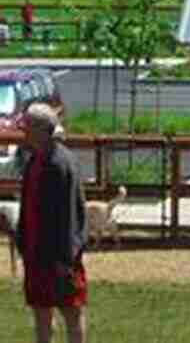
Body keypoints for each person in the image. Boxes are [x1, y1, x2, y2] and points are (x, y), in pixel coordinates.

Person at [15, 103, 88, 343]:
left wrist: (66, 258)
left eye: (27, 127)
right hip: (37, 253)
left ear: (41, 129)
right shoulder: (34, 160)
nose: (23, 132)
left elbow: (71, 214)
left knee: (72, 314)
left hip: (59, 256)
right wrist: (23, 243)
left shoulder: (61, 163)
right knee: (41, 315)